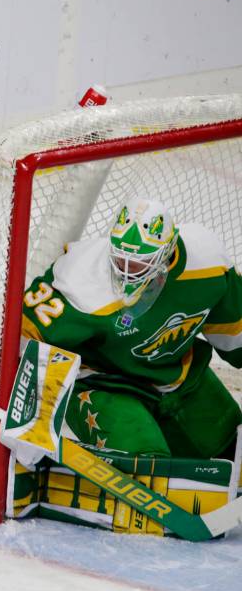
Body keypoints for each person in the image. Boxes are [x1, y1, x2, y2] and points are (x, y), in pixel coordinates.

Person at [20, 195, 242, 460]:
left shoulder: (207, 262)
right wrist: (26, 406)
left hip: (177, 374)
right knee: (146, 464)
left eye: (140, 262)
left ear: (168, 250)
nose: (126, 270)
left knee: (230, 445)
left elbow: (235, 329)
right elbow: (22, 337)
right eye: (120, 258)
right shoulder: (79, 277)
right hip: (103, 383)